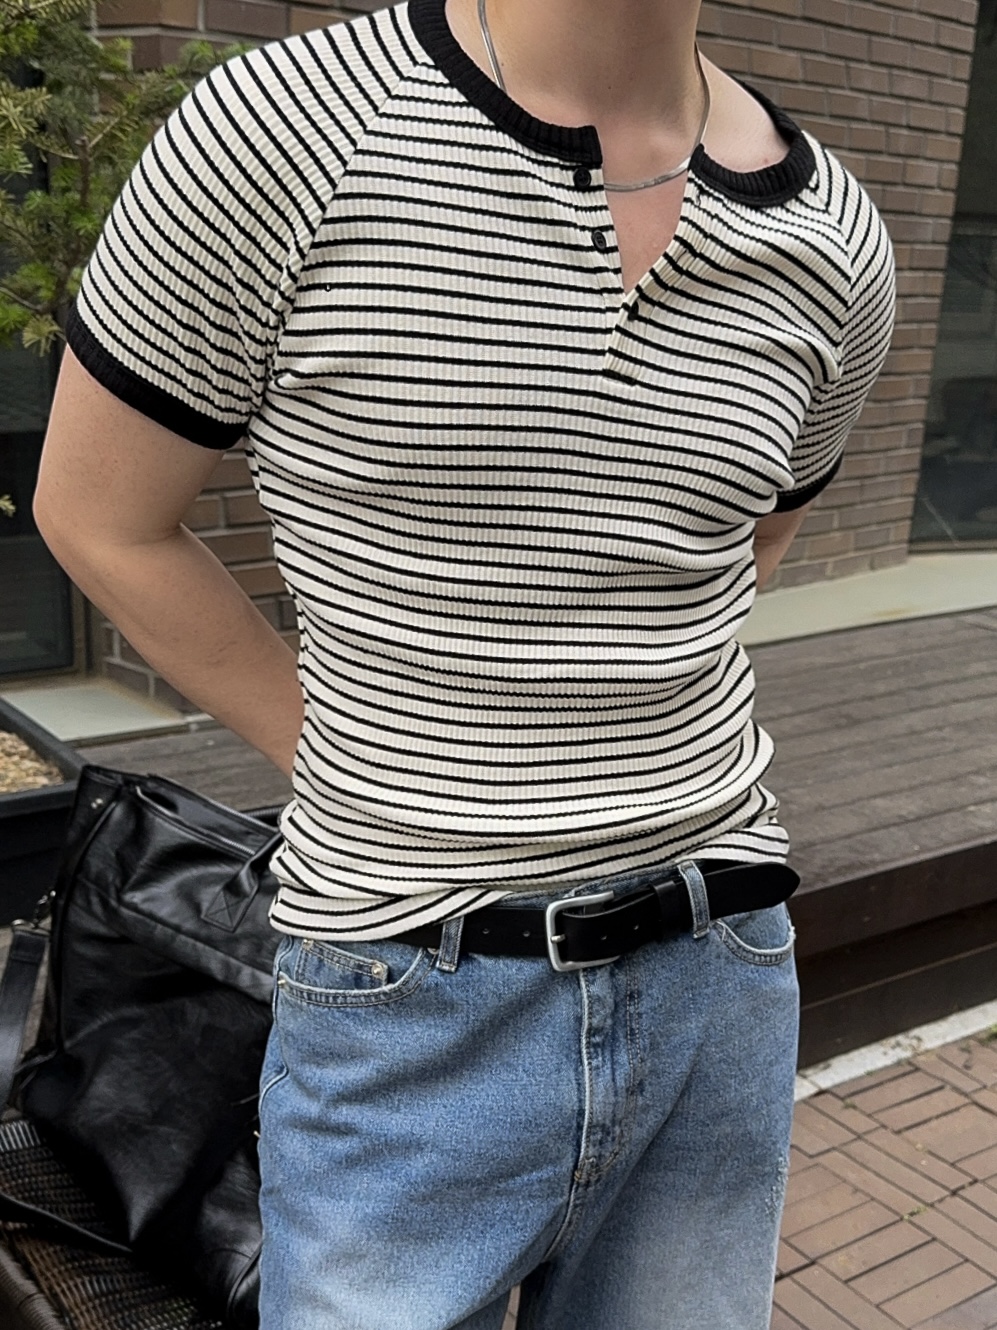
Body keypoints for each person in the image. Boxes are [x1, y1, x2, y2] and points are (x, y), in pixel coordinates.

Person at [33, 0, 896, 1324]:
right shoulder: (289, 129)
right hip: (407, 987)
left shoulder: (834, 238)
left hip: (716, 964)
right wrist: (352, 754)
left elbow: (734, 557)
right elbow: (101, 515)